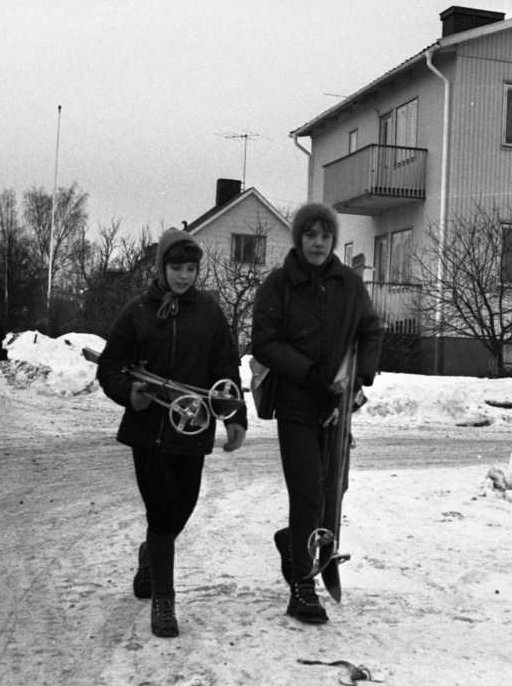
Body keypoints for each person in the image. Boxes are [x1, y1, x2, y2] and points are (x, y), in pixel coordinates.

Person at [96, 228, 248, 638]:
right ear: (162, 267)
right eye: (176, 267)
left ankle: (151, 554)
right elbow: (109, 367)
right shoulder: (137, 312)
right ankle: (164, 599)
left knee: (183, 508)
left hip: (193, 428)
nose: (184, 276)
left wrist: (234, 416)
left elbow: (225, 370)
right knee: (162, 512)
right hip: (149, 432)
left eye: (191, 268)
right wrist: (130, 392)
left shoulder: (210, 313)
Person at [250, 202, 383, 624]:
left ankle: (293, 541)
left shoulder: (348, 284)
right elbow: (264, 342)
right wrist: (307, 374)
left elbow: (371, 330)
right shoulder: (279, 285)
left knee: (332, 489)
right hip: (296, 401)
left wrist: (361, 377)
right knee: (307, 490)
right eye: (311, 235)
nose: (319, 243)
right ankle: (302, 586)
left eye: (326, 236)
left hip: (336, 404)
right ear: (299, 238)